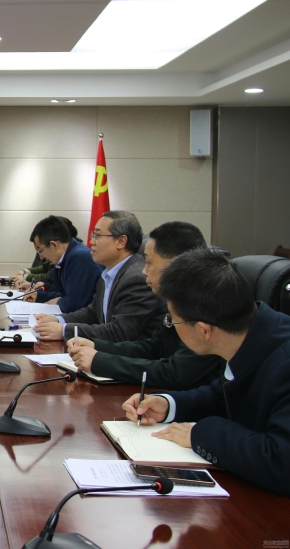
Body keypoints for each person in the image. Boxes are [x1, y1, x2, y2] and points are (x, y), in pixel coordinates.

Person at [122, 249, 290, 496]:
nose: (171, 327)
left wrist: (201, 434)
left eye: (173, 321)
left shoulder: (284, 361)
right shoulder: (248, 334)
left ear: (204, 331)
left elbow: (281, 461)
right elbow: (222, 395)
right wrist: (168, 405)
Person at [67, 221, 224, 388]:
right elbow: (153, 348)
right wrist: (96, 345)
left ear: (176, 265)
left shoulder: (210, 304)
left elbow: (176, 373)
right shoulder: (180, 298)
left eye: (149, 262)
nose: (143, 271)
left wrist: (100, 361)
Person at [33, 210, 164, 342]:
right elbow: (93, 312)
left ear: (121, 241)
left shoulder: (136, 278)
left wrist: (64, 330)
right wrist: (58, 320)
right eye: (93, 235)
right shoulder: (108, 273)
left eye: (98, 235)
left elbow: (119, 332)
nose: (91, 242)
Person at [22, 215, 102, 311]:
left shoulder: (78, 258)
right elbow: (65, 294)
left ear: (54, 245)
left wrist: (58, 301)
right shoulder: (64, 258)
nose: (41, 256)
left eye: (41, 250)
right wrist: (39, 295)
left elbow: (73, 304)